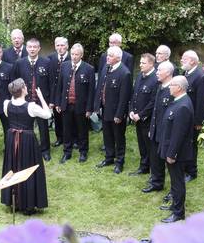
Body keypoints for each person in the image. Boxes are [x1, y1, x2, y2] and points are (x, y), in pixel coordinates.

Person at [1, 79, 50, 215]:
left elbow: (9, 111)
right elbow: (48, 114)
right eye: (25, 86)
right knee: (28, 168)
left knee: (13, 166)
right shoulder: (31, 106)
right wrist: (41, 96)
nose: (27, 87)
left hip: (11, 138)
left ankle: (13, 201)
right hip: (27, 140)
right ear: (23, 90)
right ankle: (28, 204)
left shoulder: (7, 104)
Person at [159, 75, 194, 223]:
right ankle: (175, 206)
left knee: (178, 182)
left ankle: (178, 213)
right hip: (171, 149)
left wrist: (172, 154)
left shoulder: (183, 106)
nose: (169, 87)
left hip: (177, 153)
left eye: (172, 85)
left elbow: (178, 134)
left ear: (179, 88)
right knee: (174, 181)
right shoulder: (179, 102)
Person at [13, 38, 52, 161]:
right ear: (26, 48)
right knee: (25, 128)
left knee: (43, 127)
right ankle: (27, 149)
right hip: (25, 101)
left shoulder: (47, 62)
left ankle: (45, 150)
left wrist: (50, 101)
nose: (32, 49)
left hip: (41, 100)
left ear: (39, 48)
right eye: (30, 47)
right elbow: (15, 82)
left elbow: (51, 82)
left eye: (35, 47)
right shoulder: (19, 63)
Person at [94, 46, 132, 174]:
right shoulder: (106, 67)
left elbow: (124, 96)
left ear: (118, 58)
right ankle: (109, 158)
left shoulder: (124, 73)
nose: (107, 57)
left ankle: (119, 162)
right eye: (107, 55)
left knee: (118, 137)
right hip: (105, 108)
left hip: (116, 112)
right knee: (107, 135)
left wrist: (119, 114)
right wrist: (97, 105)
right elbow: (101, 86)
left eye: (110, 56)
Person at [55, 43, 95, 163]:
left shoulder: (89, 69)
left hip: (81, 106)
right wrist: (58, 103)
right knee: (66, 130)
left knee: (82, 130)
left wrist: (89, 109)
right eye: (72, 54)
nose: (73, 56)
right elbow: (60, 87)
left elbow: (91, 91)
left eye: (76, 54)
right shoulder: (65, 66)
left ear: (81, 55)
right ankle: (67, 152)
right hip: (66, 105)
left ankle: (83, 152)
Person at [143, 61, 174, 194]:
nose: (156, 72)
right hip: (156, 130)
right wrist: (152, 129)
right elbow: (155, 111)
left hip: (166, 133)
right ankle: (156, 182)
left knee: (168, 162)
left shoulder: (173, 90)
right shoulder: (160, 87)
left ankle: (173, 190)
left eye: (159, 70)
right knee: (155, 158)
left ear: (167, 73)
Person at [181, 50, 204, 182]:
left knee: (191, 145)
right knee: (183, 144)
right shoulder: (186, 73)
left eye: (184, 58)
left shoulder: (201, 77)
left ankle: (192, 171)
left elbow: (202, 102)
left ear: (192, 61)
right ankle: (184, 167)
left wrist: (198, 122)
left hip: (193, 119)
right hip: (183, 117)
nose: (181, 60)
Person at [128, 53, 158, 176]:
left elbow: (153, 102)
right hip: (136, 117)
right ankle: (144, 166)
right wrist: (131, 110)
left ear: (151, 64)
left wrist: (140, 115)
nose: (140, 65)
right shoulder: (140, 75)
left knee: (149, 145)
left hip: (148, 119)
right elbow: (134, 95)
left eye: (143, 63)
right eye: (140, 62)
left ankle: (154, 169)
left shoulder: (156, 79)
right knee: (141, 144)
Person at [47, 37, 71, 147]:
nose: (60, 48)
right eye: (58, 45)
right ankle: (59, 138)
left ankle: (72, 139)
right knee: (57, 117)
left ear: (67, 46)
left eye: (62, 45)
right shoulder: (50, 58)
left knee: (69, 117)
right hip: (55, 93)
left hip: (68, 93)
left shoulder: (72, 57)